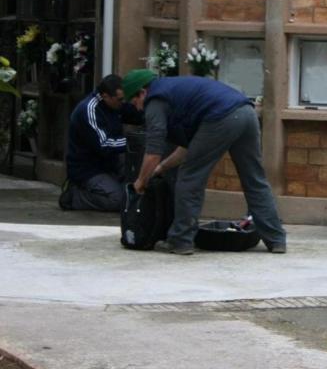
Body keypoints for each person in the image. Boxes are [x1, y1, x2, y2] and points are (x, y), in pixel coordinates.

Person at [121, 69, 287, 255]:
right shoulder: (177, 92)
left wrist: (140, 182)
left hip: (221, 117)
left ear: (142, 92)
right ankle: (276, 240)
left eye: (134, 102)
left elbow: (153, 151)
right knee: (255, 180)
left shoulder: (155, 100)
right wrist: (161, 168)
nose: (138, 109)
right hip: (247, 113)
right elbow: (188, 149)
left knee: (189, 179)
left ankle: (180, 240)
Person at [59, 74, 144, 212]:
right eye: (120, 99)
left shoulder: (115, 104)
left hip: (110, 163)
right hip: (87, 169)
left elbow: (136, 115)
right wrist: (134, 141)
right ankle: (74, 197)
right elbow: (104, 144)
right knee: (118, 200)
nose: (123, 102)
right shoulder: (89, 110)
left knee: (138, 178)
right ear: (105, 96)